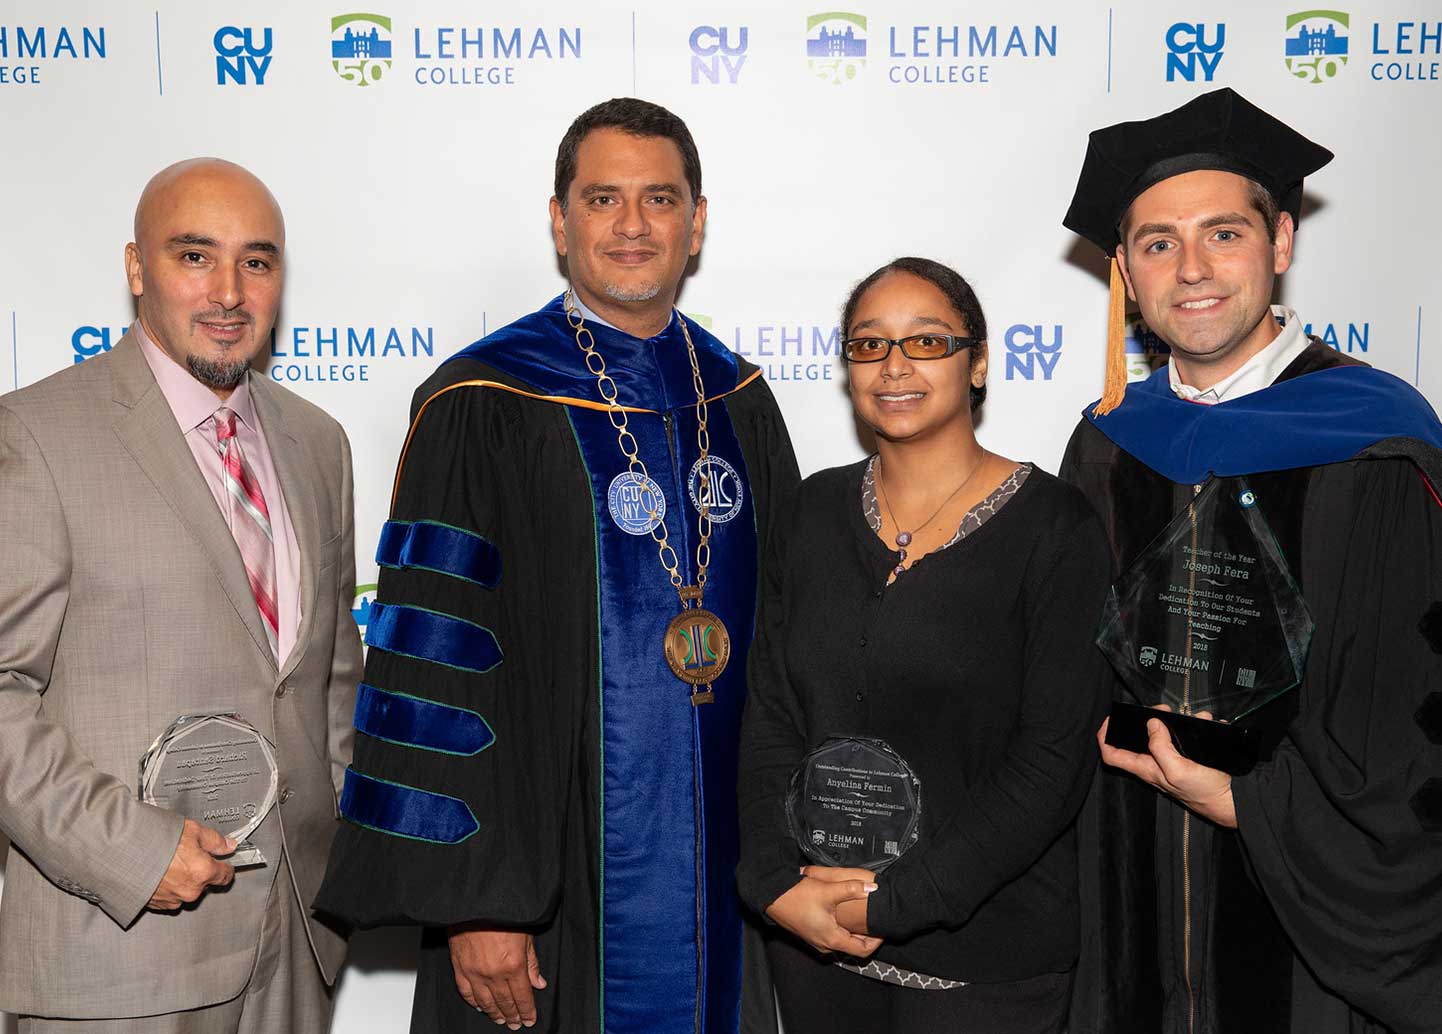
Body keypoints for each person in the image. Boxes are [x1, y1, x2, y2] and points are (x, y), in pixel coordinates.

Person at [314, 97, 797, 1034]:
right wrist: (477, 902)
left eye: (659, 200)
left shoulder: (738, 399)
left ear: (697, 224)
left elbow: (787, 647)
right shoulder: (483, 401)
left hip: (722, 876)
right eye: (603, 198)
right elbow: (434, 671)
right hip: (543, 882)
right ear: (559, 220)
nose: (631, 225)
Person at [1059, 87, 1442, 1034]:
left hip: (1313, 926)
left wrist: (1252, 807)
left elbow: (1412, 717)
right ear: (1125, 272)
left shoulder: (1378, 445)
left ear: (1280, 242)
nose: (1191, 269)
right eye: (1157, 243)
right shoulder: (1111, 444)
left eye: (1223, 234)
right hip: (1131, 892)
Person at [0, 158, 363, 1032]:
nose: (229, 292)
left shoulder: (318, 442)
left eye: (258, 261)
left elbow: (331, 682)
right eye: (195, 256)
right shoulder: (35, 437)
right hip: (117, 954)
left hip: (297, 950)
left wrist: (353, 851)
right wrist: (130, 849)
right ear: (136, 268)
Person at [735, 257, 1112, 1033]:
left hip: (984, 955)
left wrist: (896, 902)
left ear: (977, 363)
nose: (895, 365)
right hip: (816, 939)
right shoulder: (810, 511)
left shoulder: (1056, 528)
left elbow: (1052, 760)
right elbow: (771, 712)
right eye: (869, 345)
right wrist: (776, 883)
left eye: (928, 342)